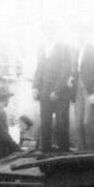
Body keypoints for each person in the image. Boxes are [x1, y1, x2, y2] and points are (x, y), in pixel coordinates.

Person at [33, 24, 74, 154]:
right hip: (44, 93)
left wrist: (56, 90)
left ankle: (63, 154)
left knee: (61, 125)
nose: (48, 34)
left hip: (61, 94)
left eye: (51, 30)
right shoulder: (42, 48)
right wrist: (34, 87)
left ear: (55, 32)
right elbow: (39, 69)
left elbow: (65, 71)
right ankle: (46, 154)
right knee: (45, 124)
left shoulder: (63, 48)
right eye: (46, 31)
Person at [72, 23, 94, 151]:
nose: (81, 35)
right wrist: (71, 78)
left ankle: (91, 152)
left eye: (83, 32)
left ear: (88, 34)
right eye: (78, 32)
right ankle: (81, 152)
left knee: (88, 123)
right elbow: (75, 69)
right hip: (77, 90)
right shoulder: (76, 50)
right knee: (78, 124)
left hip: (89, 91)